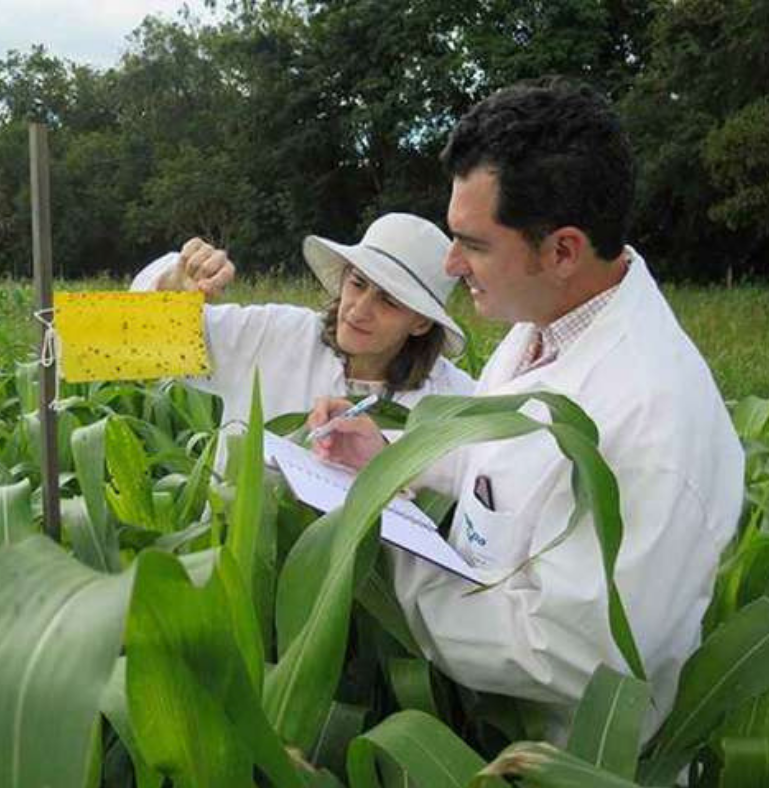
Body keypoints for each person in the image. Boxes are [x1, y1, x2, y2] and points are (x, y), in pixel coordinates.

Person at [309, 79, 744, 742]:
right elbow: (512, 465)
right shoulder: (542, 322)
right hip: (482, 724)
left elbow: (564, 653)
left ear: (563, 249)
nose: (452, 265)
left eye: (474, 244)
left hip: (561, 757)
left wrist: (389, 534)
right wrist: (396, 460)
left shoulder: (655, 422)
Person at [130, 212, 475, 472]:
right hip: (236, 559)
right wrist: (173, 293)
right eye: (357, 283)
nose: (359, 309)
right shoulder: (275, 334)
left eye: (389, 301)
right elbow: (134, 344)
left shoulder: (455, 402)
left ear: (420, 322)